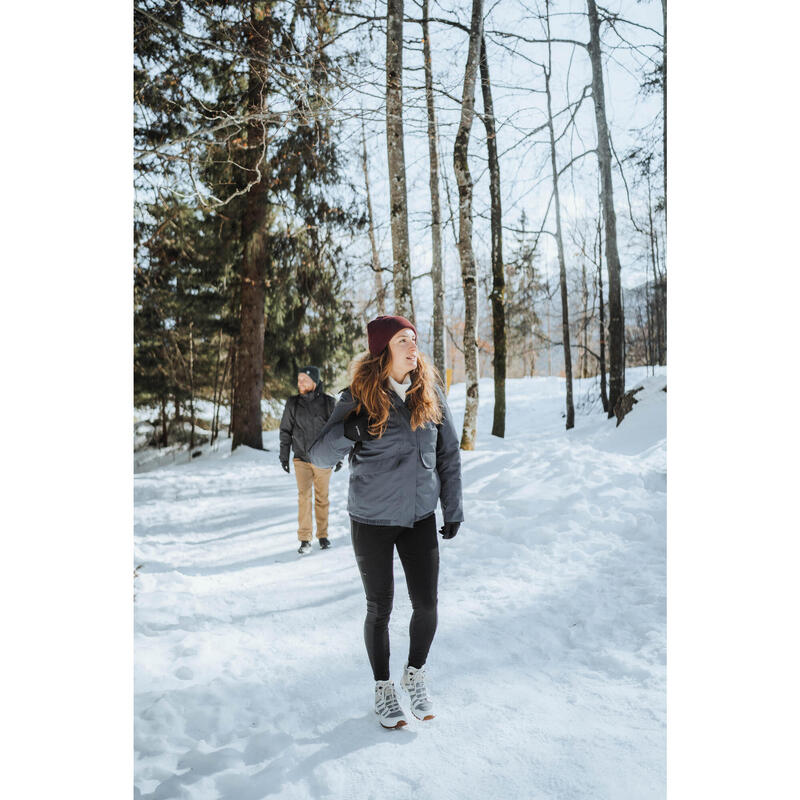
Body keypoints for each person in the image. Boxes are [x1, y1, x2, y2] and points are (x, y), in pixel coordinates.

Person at [309, 315, 463, 728]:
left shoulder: (430, 393)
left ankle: (414, 674)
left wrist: (453, 506)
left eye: (414, 339)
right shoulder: (357, 396)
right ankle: (383, 689)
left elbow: (448, 455)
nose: (413, 347)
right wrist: (350, 430)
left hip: (419, 516)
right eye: (402, 340)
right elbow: (319, 456)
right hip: (372, 519)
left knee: (427, 605)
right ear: (383, 350)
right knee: (380, 608)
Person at [279, 366, 342, 555]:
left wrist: (337, 456)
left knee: (322, 498)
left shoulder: (329, 403)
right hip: (301, 458)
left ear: (314, 381)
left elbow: (336, 430)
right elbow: (285, 430)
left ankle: (322, 535)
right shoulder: (293, 403)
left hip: (323, 459)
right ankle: (305, 539)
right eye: (298, 380)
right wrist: (284, 455)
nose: (300, 383)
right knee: (304, 497)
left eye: (304, 380)